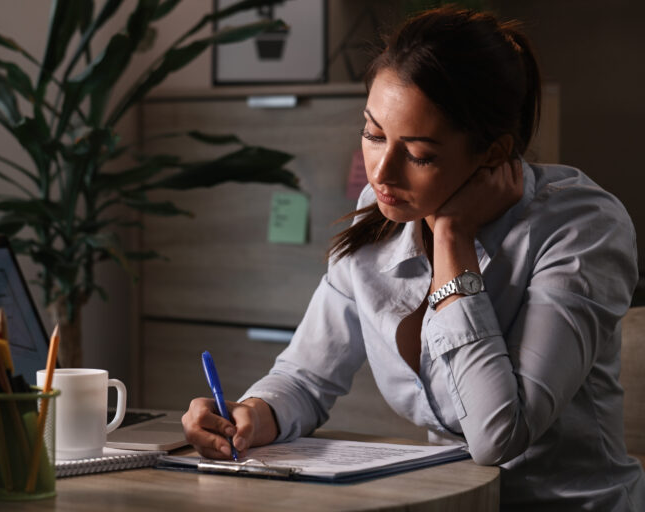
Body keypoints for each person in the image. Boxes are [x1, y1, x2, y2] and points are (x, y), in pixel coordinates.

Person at [182, 6, 645, 511]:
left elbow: (498, 437)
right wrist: (251, 414)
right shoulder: (377, 217)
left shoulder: (581, 227)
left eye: (420, 154)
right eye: (374, 134)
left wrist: (452, 239)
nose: (381, 172)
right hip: (445, 502)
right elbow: (306, 377)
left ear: (493, 153)